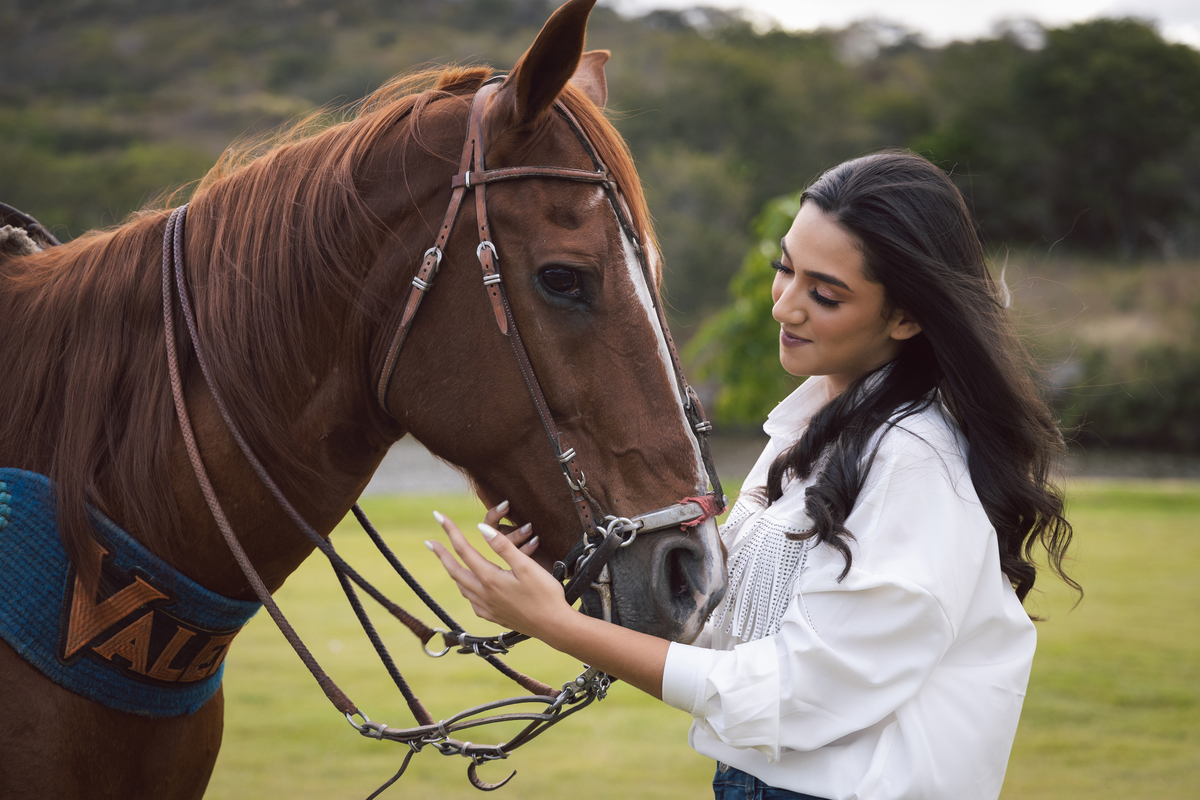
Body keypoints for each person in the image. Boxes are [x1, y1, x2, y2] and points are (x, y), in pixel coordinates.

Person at [426, 150, 1076, 800]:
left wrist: (558, 628)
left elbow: (795, 700)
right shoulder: (811, 428)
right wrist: (569, 577)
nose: (784, 308)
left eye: (824, 294)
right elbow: (718, 637)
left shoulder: (914, 463)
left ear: (906, 316)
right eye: (783, 270)